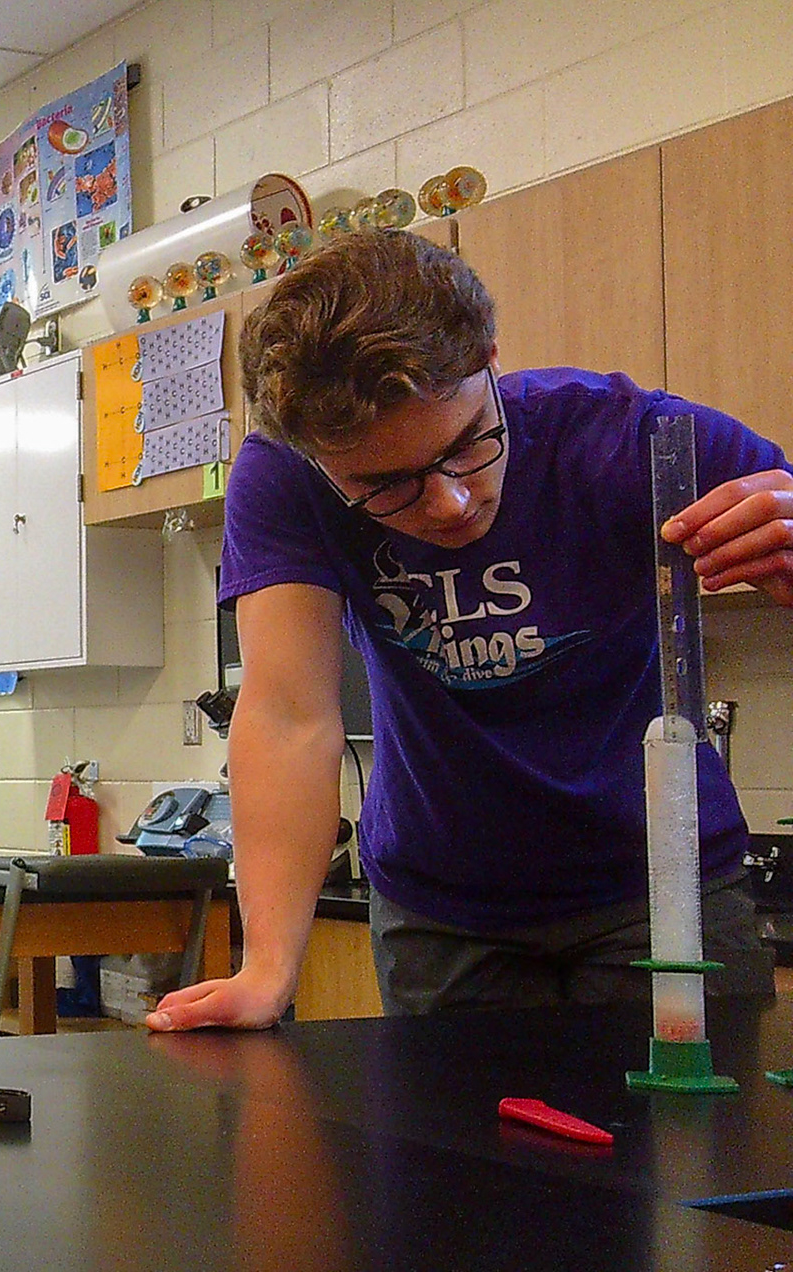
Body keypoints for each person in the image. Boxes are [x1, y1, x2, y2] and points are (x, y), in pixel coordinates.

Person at [147, 230, 793, 1032]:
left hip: (664, 889)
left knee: (700, 1115)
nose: (450, 503)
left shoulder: (633, 438)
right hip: (443, 912)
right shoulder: (283, 476)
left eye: (466, 446)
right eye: (385, 485)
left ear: (490, 358)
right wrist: (268, 969)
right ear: (314, 458)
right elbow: (287, 715)